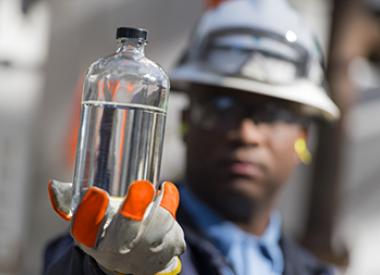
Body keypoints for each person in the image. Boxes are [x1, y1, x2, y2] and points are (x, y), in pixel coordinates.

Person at [44, 0, 340, 274]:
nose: (246, 134)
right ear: (186, 122)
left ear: (303, 135)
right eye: (221, 107)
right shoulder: (117, 240)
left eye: (273, 113)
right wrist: (104, 268)